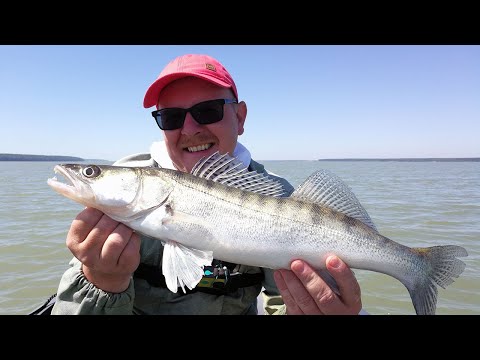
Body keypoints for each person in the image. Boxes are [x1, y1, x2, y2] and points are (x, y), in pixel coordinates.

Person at [50, 53, 364, 315]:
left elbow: (280, 302)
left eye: (208, 111)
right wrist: (100, 281)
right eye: (171, 117)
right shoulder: (117, 200)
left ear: (240, 118)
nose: (189, 129)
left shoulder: (282, 197)